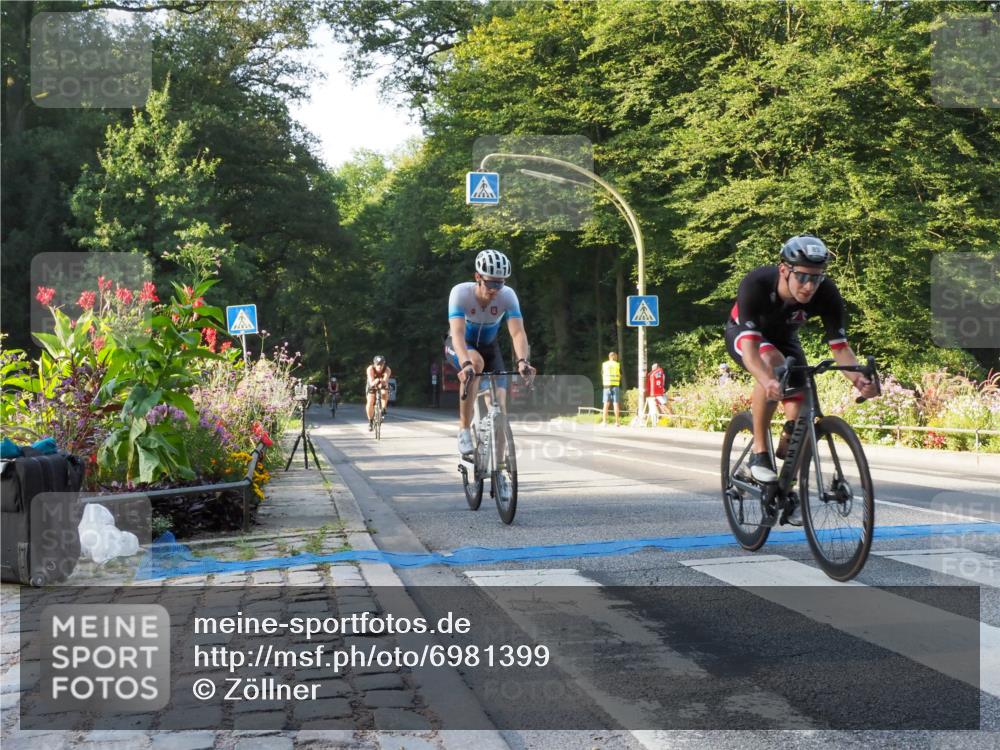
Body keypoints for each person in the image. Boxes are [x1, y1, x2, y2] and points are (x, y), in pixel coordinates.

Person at [724, 234, 878, 505]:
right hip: (746, 335)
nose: (809, 286)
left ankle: (785, 489)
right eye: (803, 277)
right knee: (772, 363)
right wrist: (767, 381)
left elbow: (840, 348)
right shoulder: (757, 283)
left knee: (801, 411)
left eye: (816, 278)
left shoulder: (826, 292)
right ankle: (759, 452)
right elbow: (750, 353)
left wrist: (859, 380)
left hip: (786, 340)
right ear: (784, 270)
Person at [446, 249, 536, 455]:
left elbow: (518, 333)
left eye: (500, 283)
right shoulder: (460, 293)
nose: (496, 289)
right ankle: (464, 431)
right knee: (475, 364)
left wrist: (523, 361)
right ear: (478, 277)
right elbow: (457, 334)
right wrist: (465, 364)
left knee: (500, 410)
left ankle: (500, 469)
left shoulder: (508, 295)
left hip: (490, 349)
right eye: (491, 283)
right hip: (460, 345)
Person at [365, 356, 392, 430]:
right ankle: (370, 422)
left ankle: (383, 408)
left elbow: (385, 380)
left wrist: (381, 382)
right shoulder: (370, 369)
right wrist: (376, 382)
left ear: (384, 364)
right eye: (377, 364)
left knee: (384, 391)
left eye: (381, 364)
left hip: (382, 383)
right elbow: (371, 382)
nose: (379, 366)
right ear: (374, 364)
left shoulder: (387, 369)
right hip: (372, 383)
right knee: (370, 401)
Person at [600, 351, 621, 426]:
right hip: (615, 386)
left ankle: (604, 422)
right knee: (616, 404)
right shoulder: (617, 365)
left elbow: (602, 373)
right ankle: (617, 422)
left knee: (606, 404)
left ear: (609, 357)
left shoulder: (604, 364)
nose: (617, 358)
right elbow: (619, 375)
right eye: (616, 357)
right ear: (613, 356)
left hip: (606, 386)